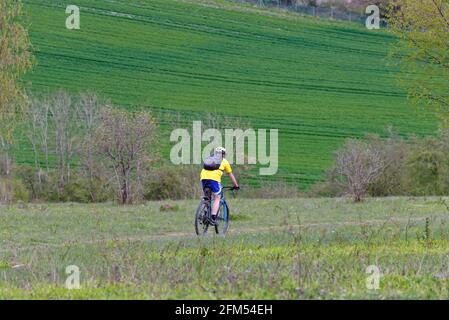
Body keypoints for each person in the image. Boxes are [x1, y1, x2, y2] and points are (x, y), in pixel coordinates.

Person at [200, 147, 239, 222]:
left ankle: (204, 213)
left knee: (206, 197)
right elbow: (230, 174)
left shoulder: (209, 159)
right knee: (217, 197)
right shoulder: (224, 161)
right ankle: (213, 216)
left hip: (203, 178)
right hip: (214, 180)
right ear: (223, 154)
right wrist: (236, 185)